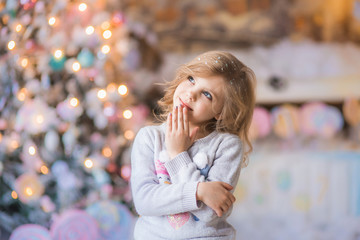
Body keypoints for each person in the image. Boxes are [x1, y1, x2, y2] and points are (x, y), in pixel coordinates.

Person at [130, 50, 256, 239]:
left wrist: (177, 155)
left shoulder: (227, 145)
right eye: (191, 79)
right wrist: (199, 191)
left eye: (207, 94)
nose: (190, 94)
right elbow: (144, 201)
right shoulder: (149, 138)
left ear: (221, 112)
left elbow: (210, 213)